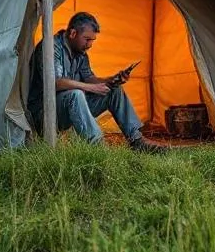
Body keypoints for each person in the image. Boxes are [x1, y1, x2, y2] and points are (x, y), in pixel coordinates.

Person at [27, 11, 168, 153]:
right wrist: (90, 88)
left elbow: (89, 78)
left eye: (92, 40)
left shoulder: (80, 53)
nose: (90, 45)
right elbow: (55, 82)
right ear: (73, 33)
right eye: (87, 39)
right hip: (43, 113)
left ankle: (137, 141)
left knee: (114, 90)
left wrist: (112, 80)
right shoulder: (51, 47)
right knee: (75, 95)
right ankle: (98, 149)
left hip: (69, 108)